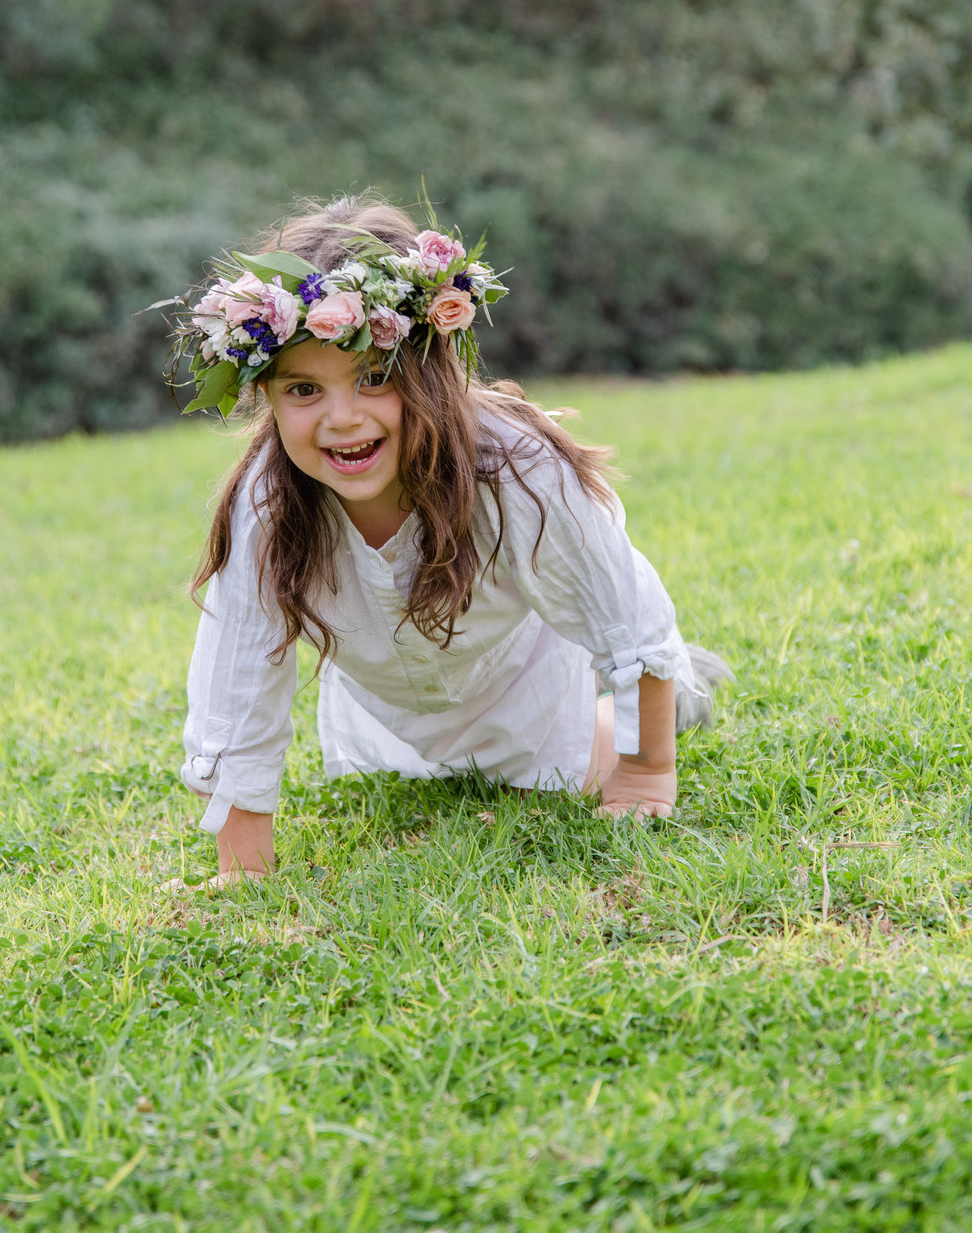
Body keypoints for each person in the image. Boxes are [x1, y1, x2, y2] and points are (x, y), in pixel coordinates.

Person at [170, 198, 731, 882]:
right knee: (436, 776)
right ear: (268, 393)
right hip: (389, 705)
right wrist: (243, 869)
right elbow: (237, 677)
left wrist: (644, 780)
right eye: (303, 389)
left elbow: (620, 605)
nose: (342, 419)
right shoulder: (268, 503)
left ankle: (674, 694)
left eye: (375, 378)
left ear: (431, 367)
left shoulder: (517, 467)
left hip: (520, 673)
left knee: (587, 747)